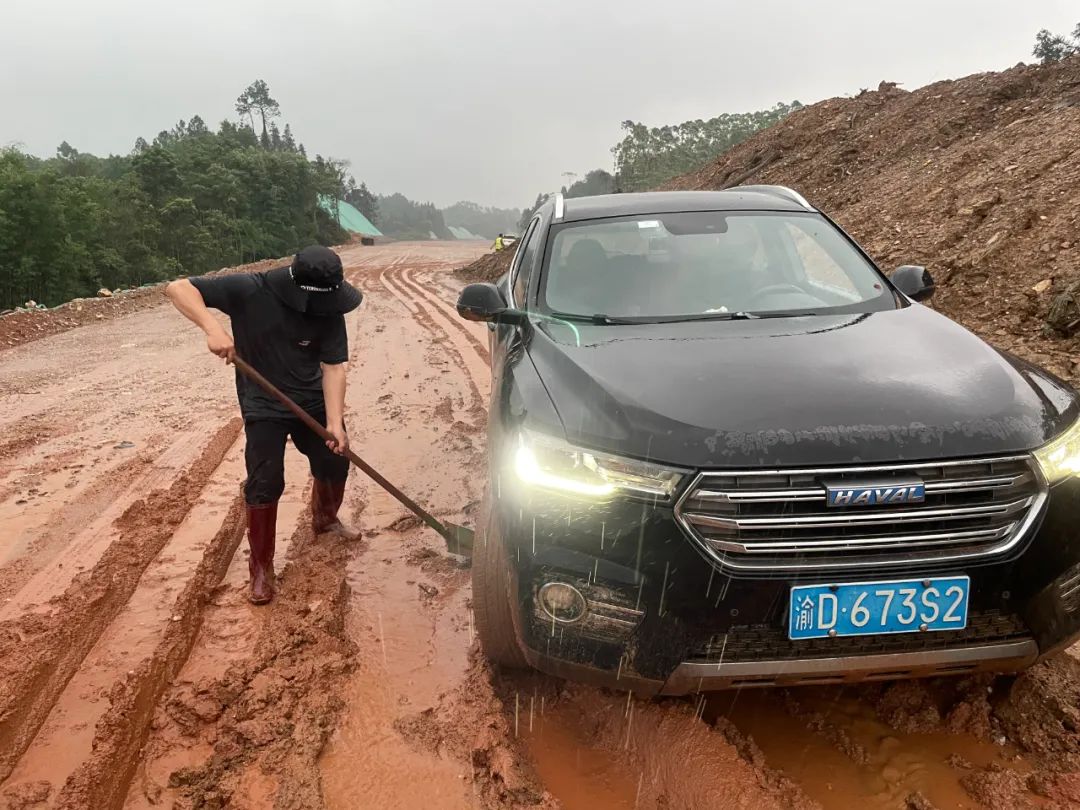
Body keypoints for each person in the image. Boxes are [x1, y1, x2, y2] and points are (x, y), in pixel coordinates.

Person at [166, 246, 363, 605]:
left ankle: (325, 520)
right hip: (263, 403)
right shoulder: (250, 290)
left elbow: (334, 367)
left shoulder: (330, 310)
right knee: (265, 480)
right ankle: (260, 568)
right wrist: (213, 328)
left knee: (335, 460)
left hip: (311, 401)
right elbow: (178, 288)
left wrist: (335, 422)